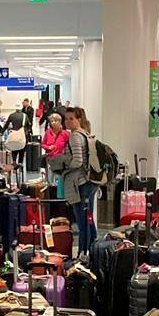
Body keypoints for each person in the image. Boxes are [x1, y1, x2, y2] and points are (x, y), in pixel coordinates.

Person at [48, 106, 102, 254]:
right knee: (89, 219)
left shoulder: (74, 136)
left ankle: (83, 253)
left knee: (83, 221)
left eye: (71, 119)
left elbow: (77, 161)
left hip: (80, 184)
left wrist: (64, 164)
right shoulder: (85, 134)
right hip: (90, 182)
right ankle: (93, 250)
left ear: (79, 119)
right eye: (66, 118)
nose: (67, 121)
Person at [41, 112, 69, 199]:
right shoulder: (47, 132)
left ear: (60, 122)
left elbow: (69, 145)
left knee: (59, 181)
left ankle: (60, 198)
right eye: (51, 121)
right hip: (50, 159)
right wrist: (48, 147)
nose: (53, 122)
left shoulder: (65, 134)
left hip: (60, 161)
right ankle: (51, 199)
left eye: (55, 121)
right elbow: (42, 144)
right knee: (49, 180)